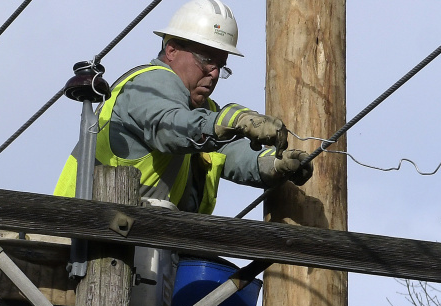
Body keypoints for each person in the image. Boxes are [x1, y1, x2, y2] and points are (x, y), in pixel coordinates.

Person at [55, 0, 313, 214]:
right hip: (75, 234)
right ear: (172, 50)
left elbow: (233, 152)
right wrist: (230, 121)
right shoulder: (148, 84)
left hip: (144, 246)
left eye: (220, 65)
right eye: (206, 59)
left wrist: (277, 163)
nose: (213, 73)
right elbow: (170, 127)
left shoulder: (204, 112)